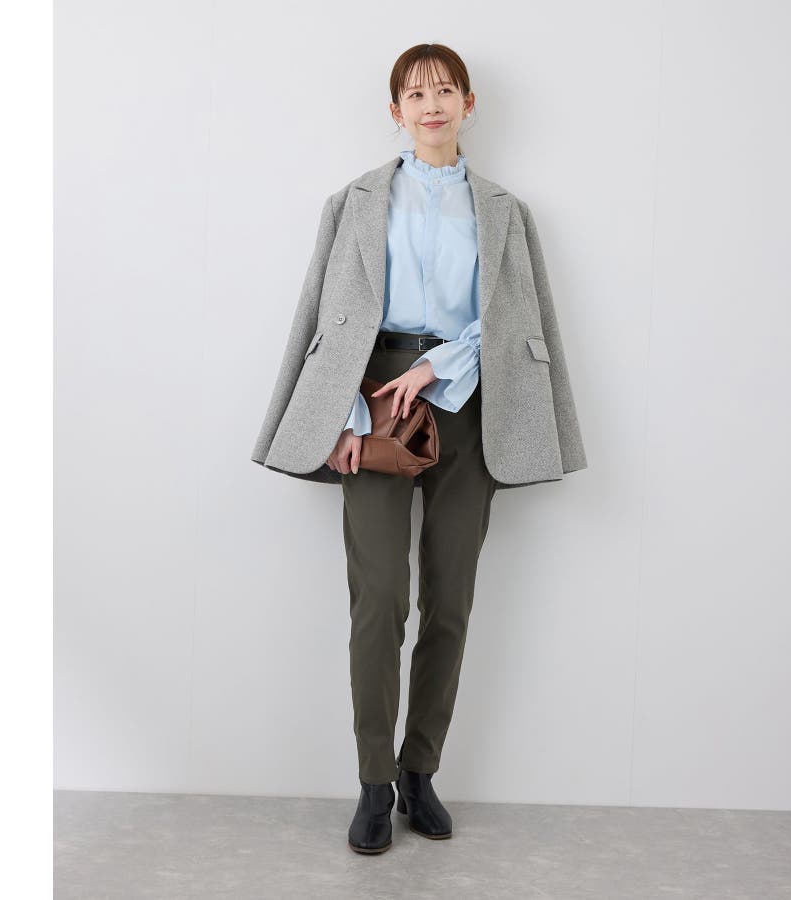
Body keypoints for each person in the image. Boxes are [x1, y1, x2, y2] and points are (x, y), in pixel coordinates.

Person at [250, 43, 588, 854]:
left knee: (451, 598)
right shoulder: (355, 202)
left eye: (444, 90)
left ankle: (419, 773)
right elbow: (326, 318)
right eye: (414, 92)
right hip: (371, 405)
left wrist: (440, 364)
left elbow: (515, 317)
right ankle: (373, 783)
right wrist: (340, 413)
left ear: (468, 104)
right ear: (395, 111)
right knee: (379, 601)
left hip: (469, 401)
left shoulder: (505, 210)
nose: (430, 104)